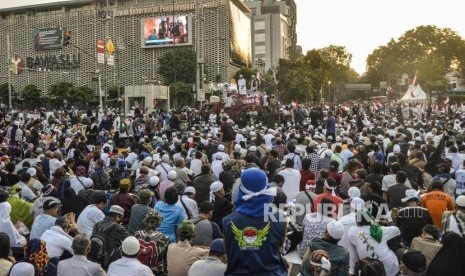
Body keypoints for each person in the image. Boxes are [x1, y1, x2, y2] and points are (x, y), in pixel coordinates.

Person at [223, 168, 287, 275]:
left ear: (241, 190)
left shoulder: (228, 221)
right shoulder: (279, 218)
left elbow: (227, 252)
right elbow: (279, 247)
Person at [348, 210, 401, 276]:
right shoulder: (381, 230)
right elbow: (397, 230)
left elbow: (353, 252)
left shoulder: (352, 231)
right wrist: (377, 224)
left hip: (369, 270)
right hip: (389, 268)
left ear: (357, 221)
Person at [134, 210, 171, 276]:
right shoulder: (165, 238)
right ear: (159, 222)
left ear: (145, 220)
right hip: (155, 271)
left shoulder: (137, 234)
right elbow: (165, 259)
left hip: (137, 269)